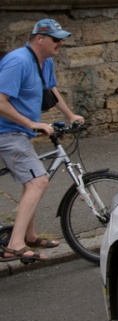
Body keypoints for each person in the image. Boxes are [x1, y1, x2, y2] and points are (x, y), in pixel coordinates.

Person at [0, 19, 85, 262]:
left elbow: (51, 89)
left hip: (18, 132)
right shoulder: (18, 61)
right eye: (56, 39)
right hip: (6, 132)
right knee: (38, 181)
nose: (61, 43)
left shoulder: (45, 61)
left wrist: (70, 115)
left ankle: (30, 235)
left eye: (62, 39)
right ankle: (14, 245)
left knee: (31, 181)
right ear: (39, 39)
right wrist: (31, 124)